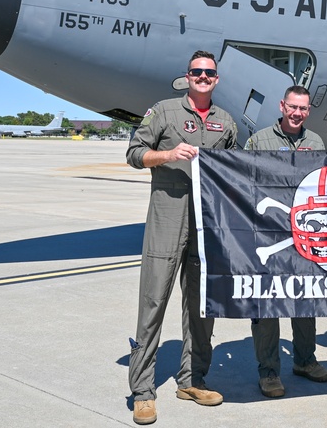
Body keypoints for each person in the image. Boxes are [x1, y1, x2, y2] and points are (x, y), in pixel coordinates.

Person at [126, 50, 238, 426]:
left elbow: (235, 170)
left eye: (209, 73)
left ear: (216, 79)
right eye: (197, 72)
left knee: (200, 306)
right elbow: (134, 153)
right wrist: (169, 154)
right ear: (187, 76)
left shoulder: (225, 121)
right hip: (167, 217)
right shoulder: (164, 111)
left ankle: (193, 379)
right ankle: (142, 391)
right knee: (154, 301)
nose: (203, 77)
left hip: (206, 225)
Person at [243, 86, 327, 397]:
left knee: (305, 300)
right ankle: (268, 372)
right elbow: (243, 180)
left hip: (305, 235)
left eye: (303, 109)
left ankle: (305, 361)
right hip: (269, 233)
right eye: (293, 107)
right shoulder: (260, 140)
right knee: (267, 304)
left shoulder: (316, 142)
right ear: (282, 106)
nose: (297, 114)